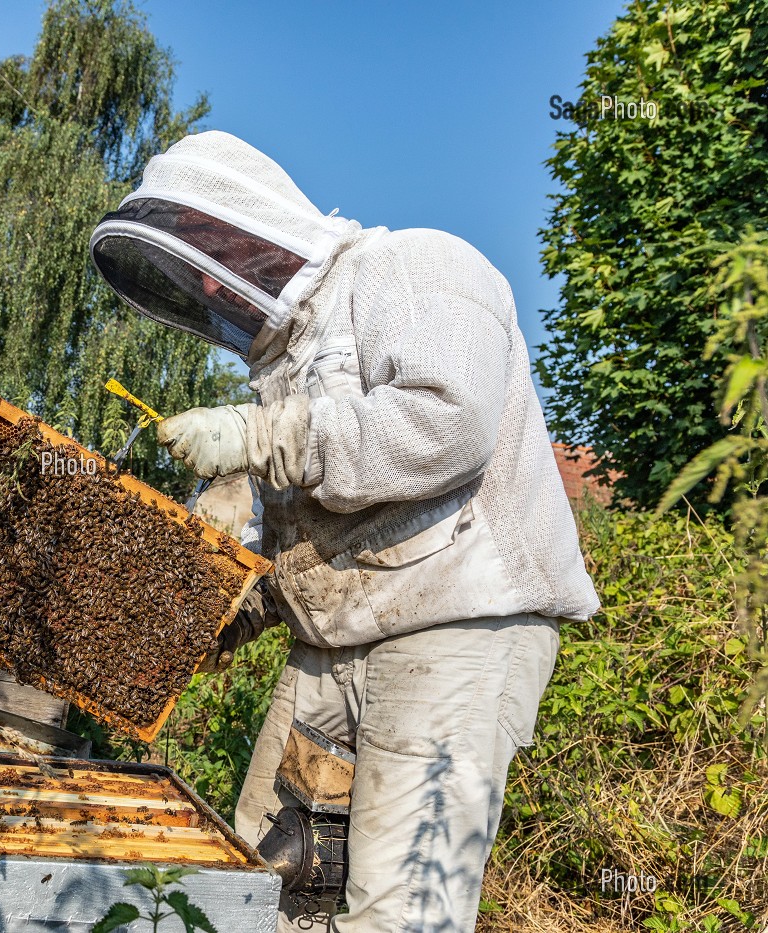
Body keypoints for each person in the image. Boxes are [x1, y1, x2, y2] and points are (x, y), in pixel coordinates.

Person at [89, 131, 599, 932]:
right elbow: (312, 536)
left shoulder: (416, 268)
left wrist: (260, 436)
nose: (211, 295)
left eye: (205, 269)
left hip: (453, 636)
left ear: (237, 230)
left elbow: (448, 422)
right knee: (268, 878)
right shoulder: (284, 360)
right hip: (332, 647)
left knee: (396, 912)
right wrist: (236, 603)